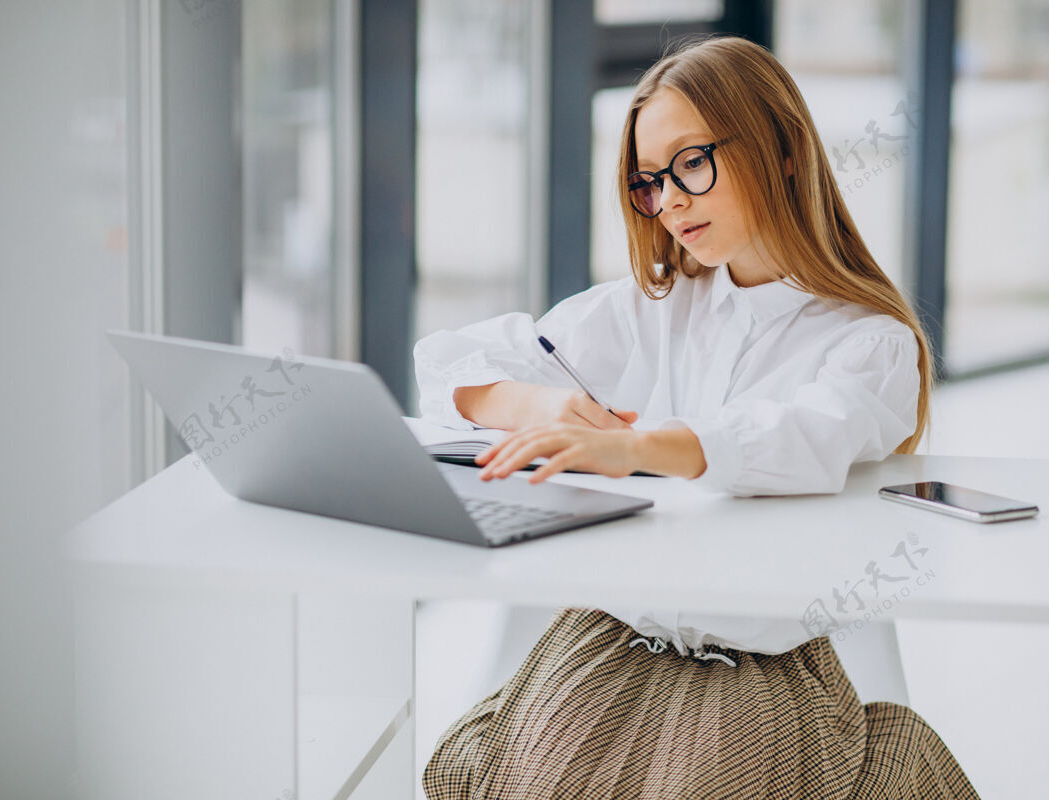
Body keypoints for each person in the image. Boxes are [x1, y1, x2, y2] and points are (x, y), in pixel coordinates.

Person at [415, 35, 980, 800]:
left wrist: (637, 446)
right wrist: (551, 404)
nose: (670, 200)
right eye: (650, 181)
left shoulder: (868, 343)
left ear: (782, 148)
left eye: (691, 162)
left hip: (761, 676)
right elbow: (450, 361)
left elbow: (803, 434)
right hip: (610, 650)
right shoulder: (652, 306)